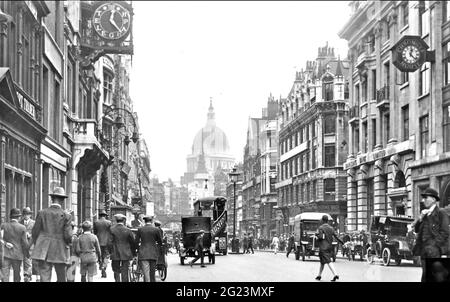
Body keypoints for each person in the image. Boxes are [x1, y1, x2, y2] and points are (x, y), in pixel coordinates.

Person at [31, 187, 72, 282]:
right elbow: (68, 235)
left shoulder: (42, 213)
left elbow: (35, 232)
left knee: (45, 276)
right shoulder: (67, 215)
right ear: (62, 200)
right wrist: (69, 243)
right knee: (61, 276)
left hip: (44, 248)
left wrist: (38, 243)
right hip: (60, 249)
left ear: (52, 199)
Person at [412, 188, 450, 282]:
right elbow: (416, 230)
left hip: (434, 251)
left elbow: (445, 232)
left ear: (433, 199)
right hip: (424, 251)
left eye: (426, 197)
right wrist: (420, 218)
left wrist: (435, 246)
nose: (423, 200)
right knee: (425, 276)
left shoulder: (441, 213)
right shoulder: (425, 214)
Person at [1, 208, 29, 282]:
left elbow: (0, 238)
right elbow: (25, 243)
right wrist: (27, 254)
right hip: (17, 254)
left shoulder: (3, 225)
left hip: (6, 254)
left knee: (5, 274)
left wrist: (6, 243)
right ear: (19, 217)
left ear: (10, 216)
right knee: (17, 274)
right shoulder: (22, 227)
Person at [315, 215, 344, 282]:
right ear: (327, 221)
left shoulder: (321, 228)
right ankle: (319, 275)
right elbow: (337, 237)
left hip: (323, 247)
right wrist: (342, 243)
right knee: (322, 262)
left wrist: (316, 237)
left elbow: (321, 237)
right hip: (329, 247)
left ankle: (335, 274)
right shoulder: (331, 228)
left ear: (322, 220)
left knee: (328, 261)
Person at [135, 216, 162, 282]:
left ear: (144, 221)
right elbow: (160, 241)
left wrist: (138, 249)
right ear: (152, 221)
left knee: (146, 272)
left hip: (143, 252)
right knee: (152, 272)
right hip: (153, 252)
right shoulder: (156, 229)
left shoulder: (140, 229)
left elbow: (136, 241)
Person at [110, 213, 136, 282]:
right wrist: (134, 254)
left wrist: (110, 252)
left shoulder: (111, 229)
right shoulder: (128, 230)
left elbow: (109, 242)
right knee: (125, 270)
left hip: (115, 253)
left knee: (116, 270)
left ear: (116, 220)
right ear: (123, 221)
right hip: (126, 253)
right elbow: (132, 243)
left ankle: (117, 280)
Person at [94, 209, 112, 278]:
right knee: (106, 256)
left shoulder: (96, 222)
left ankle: (101, 266)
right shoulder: (109, 222)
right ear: (105, 215)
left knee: (100, 255)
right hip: (107, 242)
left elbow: (95, 232)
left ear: (99, 215)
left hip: (98, 241)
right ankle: (104, 267)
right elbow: (110, 233)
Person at [19, 207, 34, 282]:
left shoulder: (33, 223)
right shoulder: (19, 222)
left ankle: (27, 275)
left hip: (30, 244)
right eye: (25, 214)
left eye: (28, 214)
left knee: (28, 260)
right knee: (24, 260)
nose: (26, 216)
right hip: (22, 245)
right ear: (23, 215)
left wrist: (30, 235)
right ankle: (27, 275)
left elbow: (36, 233)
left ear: (30, 215)